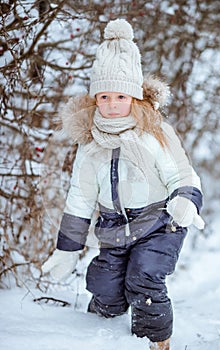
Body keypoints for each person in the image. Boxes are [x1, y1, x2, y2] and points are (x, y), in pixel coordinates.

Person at [42, 19, 205, 350]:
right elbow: (80, 197)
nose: (112, 104)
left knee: (144, 278)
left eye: (120, 95)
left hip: (161, 222)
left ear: (134, 96)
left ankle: (155, 341)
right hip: (114, 227)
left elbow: (183, 174)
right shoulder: (89, 144)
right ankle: (101, 335)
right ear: (95, 99)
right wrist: (67, 249)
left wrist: (186, 200)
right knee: (104, 283)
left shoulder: (155, 134)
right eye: (104, 96)